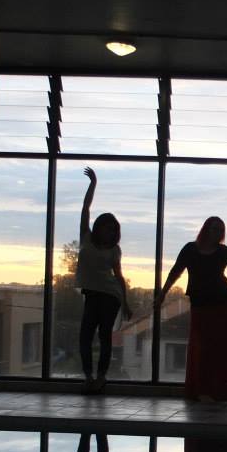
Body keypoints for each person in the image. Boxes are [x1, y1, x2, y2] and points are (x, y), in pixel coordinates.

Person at [157, 216, 227, 401]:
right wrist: (162, 294)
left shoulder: (223, 252)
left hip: (225, 305)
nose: (218, 233)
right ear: (206, 230)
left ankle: (216, 388)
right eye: (214, 229)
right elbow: (175, 272)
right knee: (202, 347)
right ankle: (203, 389)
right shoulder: (190, 249)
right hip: (201, 305)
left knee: (219, 347)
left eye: (220, 230)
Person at [75, 167, 132, 393]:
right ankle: (89, 376)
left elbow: (119, 277)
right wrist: (93, 184)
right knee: (86, 336)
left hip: (110, 296)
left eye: (112, 230)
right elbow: (85, 209)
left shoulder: (114, 250)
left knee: (103, 335)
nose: (109, 233)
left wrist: (125, 302)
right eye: (106, 229)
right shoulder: (86, 238)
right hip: (92, 294)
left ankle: (100, 377)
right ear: (98, 228)